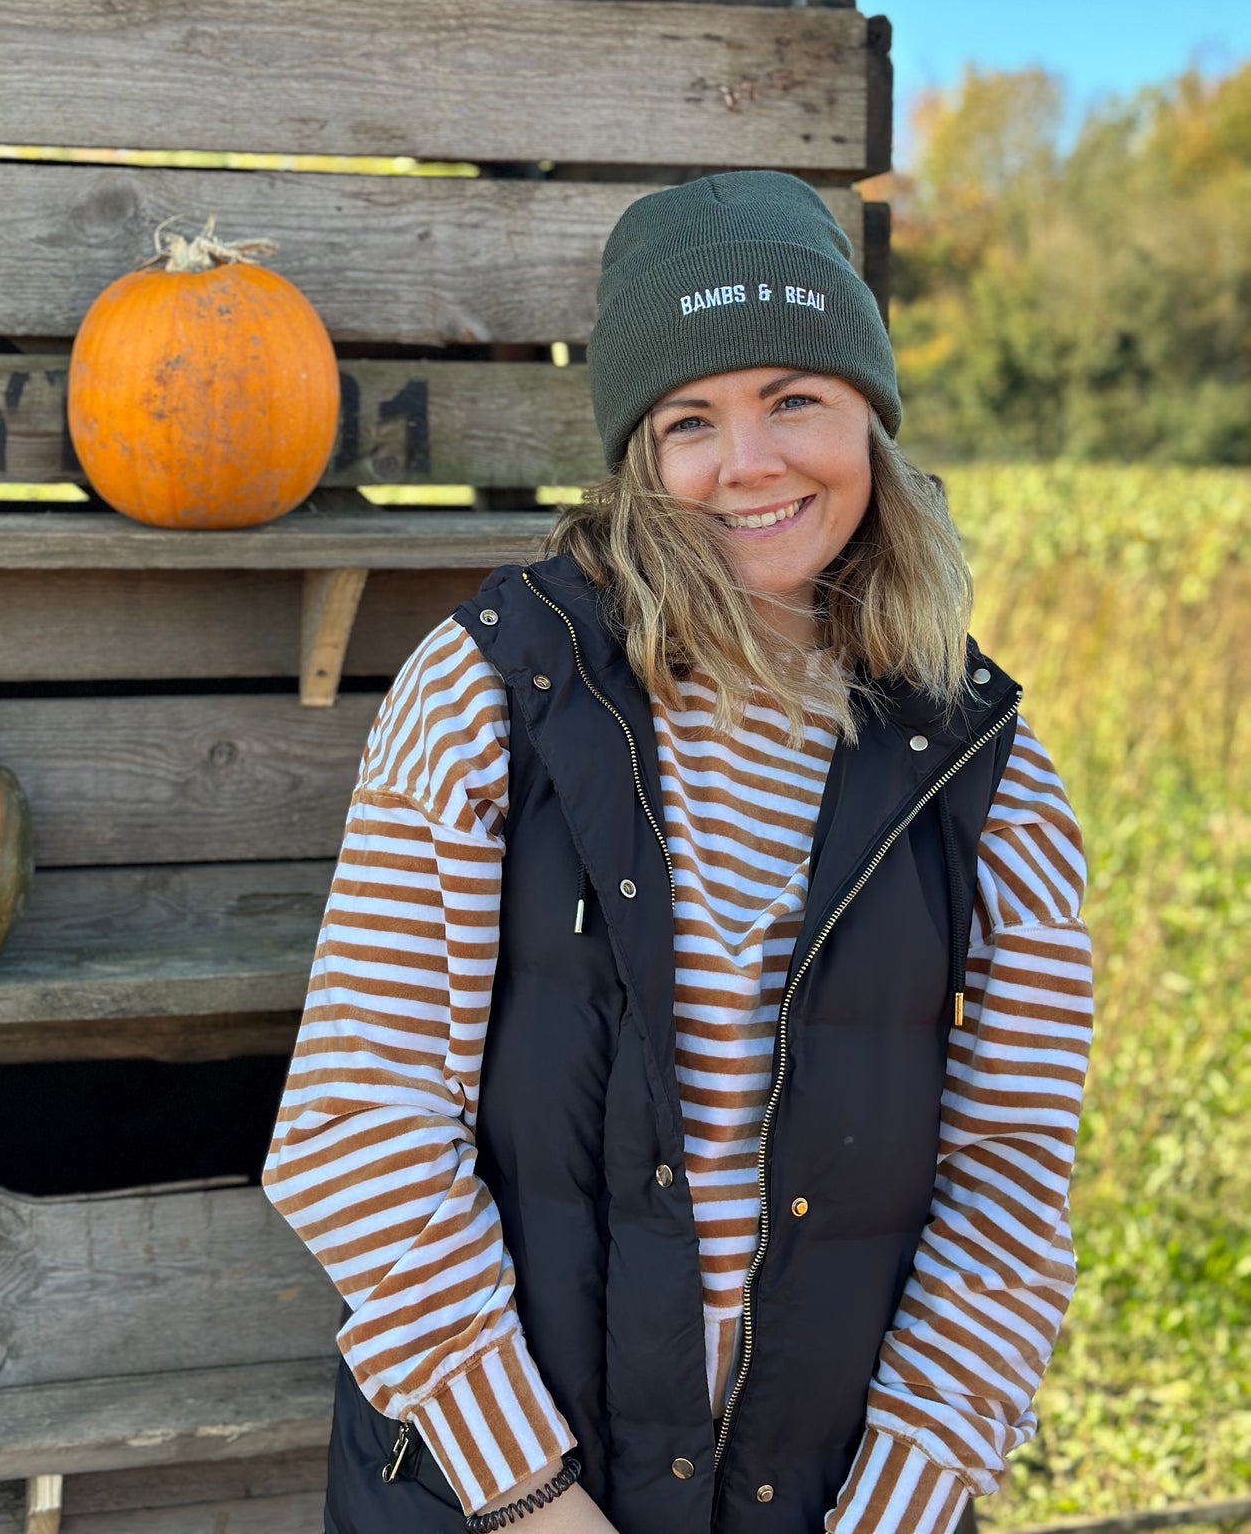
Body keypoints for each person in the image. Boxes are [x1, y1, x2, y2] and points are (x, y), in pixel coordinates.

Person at [264, 172, 1093, 1534]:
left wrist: (893, 1511)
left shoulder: (989, 780)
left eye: (795, 399)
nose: (748, 464)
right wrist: (534, 1498)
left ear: (869, 423)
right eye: (688, 420)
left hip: (822, 1495)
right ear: (637, 458)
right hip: (495, 1494)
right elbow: (356, 1127)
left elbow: (1005, 1191)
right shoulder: (488, 699)